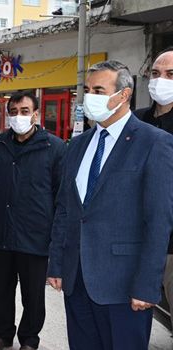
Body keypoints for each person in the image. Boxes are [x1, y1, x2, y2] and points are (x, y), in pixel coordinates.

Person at [47, 60, 173, 349]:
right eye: (87, 89)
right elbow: (65, 209)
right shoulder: (78, 145)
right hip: (77, 280)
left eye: (99, 90)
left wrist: (147, 285)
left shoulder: (154, 143)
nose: (90, 97)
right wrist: (56, 264)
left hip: (125, 285)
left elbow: (159, 220)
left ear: (124, 95)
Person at [0, 91, 66, 350]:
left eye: (25, 111)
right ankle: (2, 335)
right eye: (14, 112)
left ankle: (29, 339)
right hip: (1, 232)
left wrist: (56, 235)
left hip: (36, 234)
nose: (19, 117)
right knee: (2, 290)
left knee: (33, 294)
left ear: (37, 114)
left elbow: (60, 193)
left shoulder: (54, 147)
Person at [136, 47, 173, 331]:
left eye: (171, 75)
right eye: (156, 73)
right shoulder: (136, 121)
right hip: (135, 237)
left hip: (171, 244)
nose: (161, 80)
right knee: (135, 313)